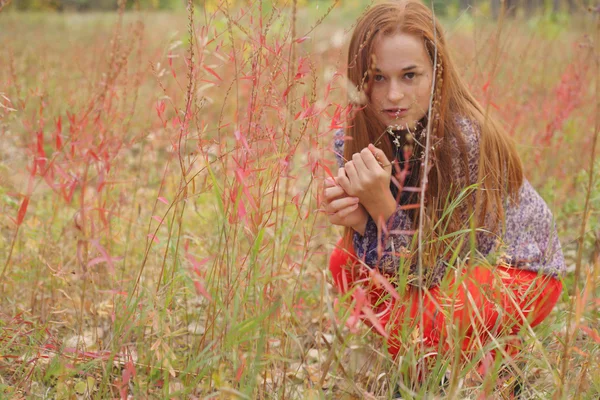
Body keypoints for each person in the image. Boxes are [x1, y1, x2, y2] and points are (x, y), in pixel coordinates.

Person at [322, 0, 565, 391]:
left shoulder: (465, 142)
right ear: (358, 78)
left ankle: (483, 359)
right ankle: (444, 359)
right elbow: (399, 268)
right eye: (377, 77)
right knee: (342, 264)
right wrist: (358, 221)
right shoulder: (353, 136)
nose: (393, 95)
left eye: (410, 75)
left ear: (438, 73)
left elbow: (432, 273)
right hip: (444, 278)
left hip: (518, 273)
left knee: (427, 314)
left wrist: (379, 209)